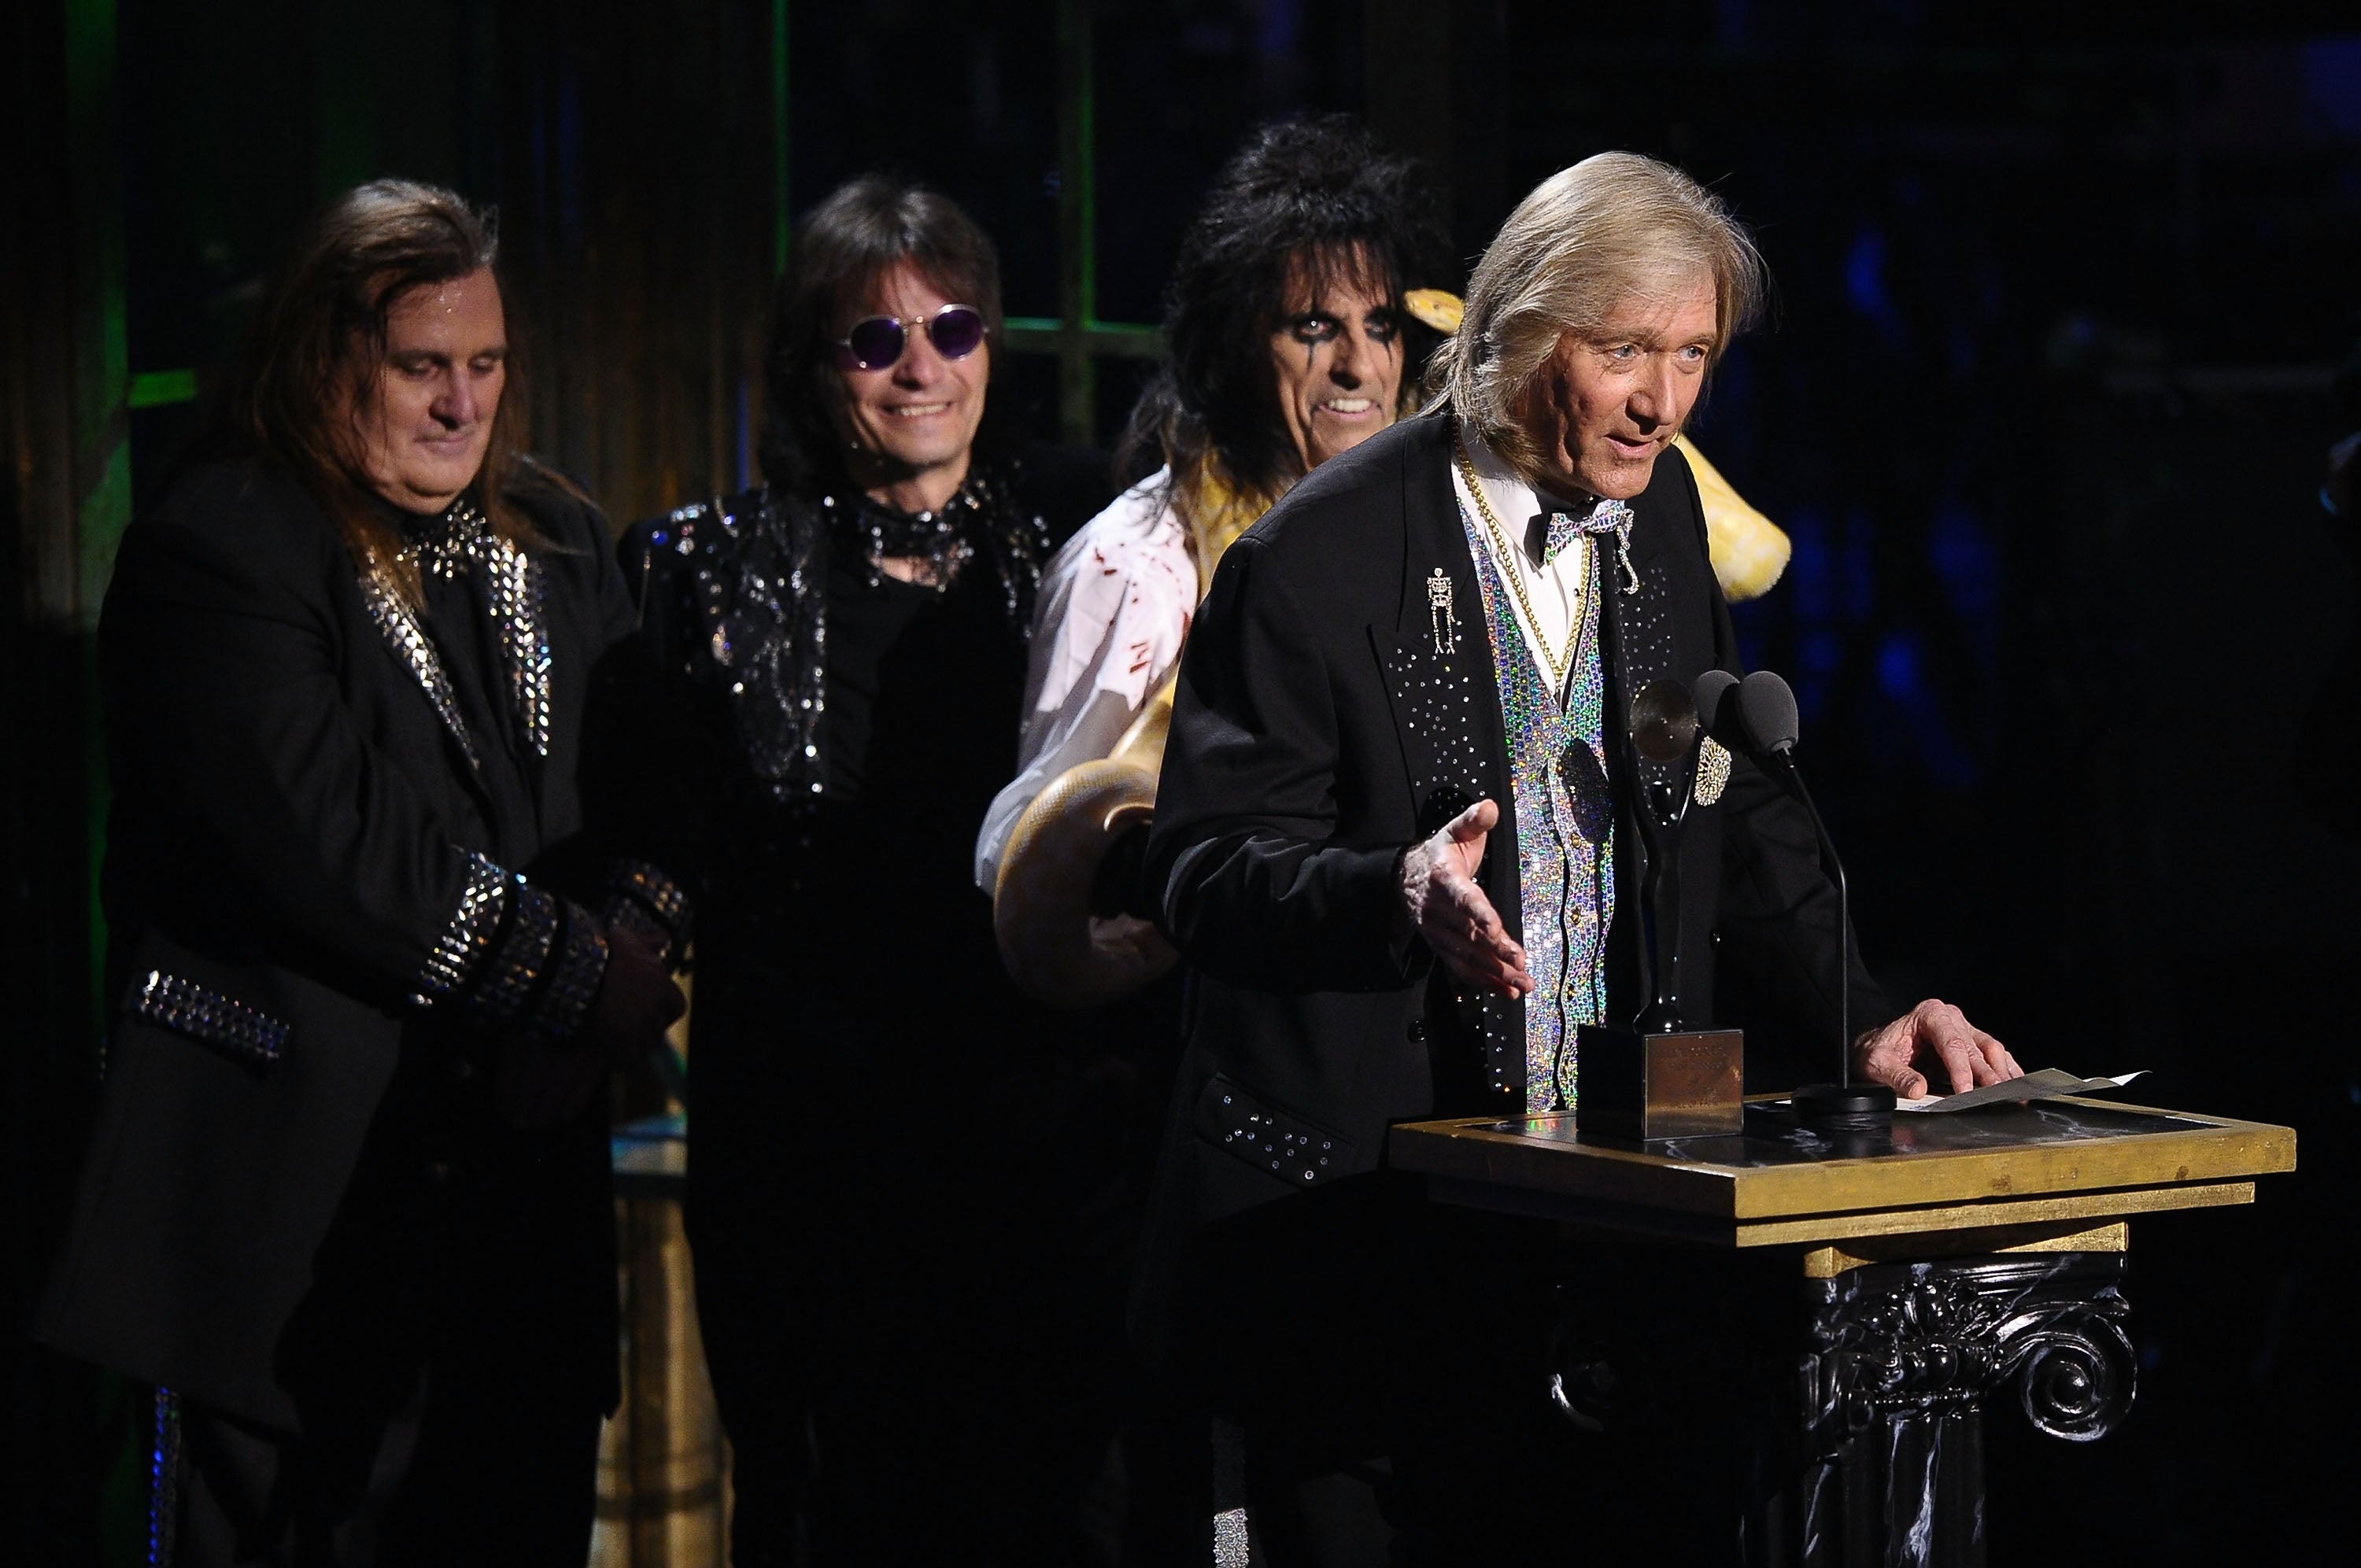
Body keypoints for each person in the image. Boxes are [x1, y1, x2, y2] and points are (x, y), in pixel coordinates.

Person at [1137, 151, 2023, 1559]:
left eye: (1693, 356)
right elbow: (1201, 870)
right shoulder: (1312, 559)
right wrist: (1393, 891)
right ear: (1518, 329)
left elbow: (1735, 808)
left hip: (1610, 1228)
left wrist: (1863, 1016)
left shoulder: (1660, 519)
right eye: (1625, 351)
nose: (1664, 401)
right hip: (1351, 1236)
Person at [35, 179, 689, 1566]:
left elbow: (656, 791)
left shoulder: (561, 534)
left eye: (486, 364)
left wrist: (621, 949)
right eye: (420, 367)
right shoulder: (222, 545)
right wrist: (581, 980)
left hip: (516, 1228)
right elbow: (342, 843)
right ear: (326, 356)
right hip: (281, 1240)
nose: (462, 404)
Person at [619, 178, 1118, 1566]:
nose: (921, 369)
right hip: (806, 1136)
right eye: (875, 340)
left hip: (1026, 1127)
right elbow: (657, 831)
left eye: (953, 330)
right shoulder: (702, 566)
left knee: (1023, 1500)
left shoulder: (1076, 548)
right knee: (818, 1503)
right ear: (812, 363)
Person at [976, 116, 1451, 937]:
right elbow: (1023, 848)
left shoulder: (1416, 532)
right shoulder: (1137, 566)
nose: (1362, 366)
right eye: (1314, 328)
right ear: (1238, 344)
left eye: (1380, 325)